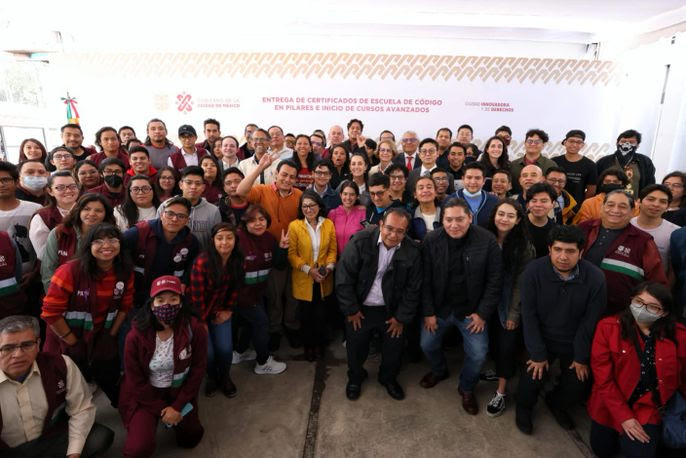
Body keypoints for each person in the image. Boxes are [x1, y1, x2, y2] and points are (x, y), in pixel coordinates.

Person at [516, 225, 607, 435]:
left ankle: (556, 403)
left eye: (570, 251)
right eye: (557, 249)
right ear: (549, 249)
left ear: (581, 252)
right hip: (542, 337)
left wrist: (581, 356)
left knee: (578, 382)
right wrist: (538, 354)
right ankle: (524, 408)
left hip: (574, 340)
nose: (563, 257)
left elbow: (590, 321)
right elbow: (528, 315)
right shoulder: (533, 272)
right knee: (532, 377)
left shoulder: (595, 278)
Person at [419, 198, 502, 414]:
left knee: (478, 354)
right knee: (427, 344)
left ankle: (466, 387)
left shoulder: (487, 240)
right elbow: (424, 279)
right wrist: (428, 312)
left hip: (471, 312)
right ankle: (439, 371)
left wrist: (482, 313)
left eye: (459, 219)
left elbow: (495, 281)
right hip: (440, 309)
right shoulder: (431, 240)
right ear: (442, 220)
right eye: (448, 220)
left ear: (470, 218)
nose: (454, 225)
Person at [588, 282, 686, 458]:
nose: (642, 309)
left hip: (648, 407)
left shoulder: (679, 336)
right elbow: (603, 380)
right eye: (639, 302)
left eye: (653, 307)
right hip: (610, 403)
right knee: (602, 449)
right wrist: (624, 417)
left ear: (664, 312)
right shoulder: (608, 328)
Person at [41, 223, 134, 406]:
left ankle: (128, 413)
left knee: (113, 383)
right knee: (65, 390)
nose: (106, 245)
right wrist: (72, 342)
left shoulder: (124, 272)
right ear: (88, 245)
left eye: (112, 240)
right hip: (65, 340)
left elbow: (125, 307)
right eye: (98, 241)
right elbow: (51, 313)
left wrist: (110, 335)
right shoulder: (70, 271)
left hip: (102, 338)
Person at [336, 208, 421, 401]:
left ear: (406, 232)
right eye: (389, 228)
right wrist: (351, 310)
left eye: (400, 231)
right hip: (360, 309)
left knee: (394, 349)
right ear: (380, 225)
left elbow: (413, 288)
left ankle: (388, 378)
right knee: (355, 348)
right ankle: (355, 377)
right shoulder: (360, 241)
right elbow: (343, 278)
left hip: (391, 311)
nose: (393, 235)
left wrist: (401, 317)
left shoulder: (412, 251)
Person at [0, 315, 114, 457]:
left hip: (49, 438)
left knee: (98, 438)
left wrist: (74, 453)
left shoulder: (60, 365)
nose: (18, 354)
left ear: (38, 344)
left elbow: (81, 409)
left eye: (27, 345)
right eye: (8, 348)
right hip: (6, 450)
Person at [119, 275, 207, 457]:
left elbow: (198, 369)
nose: (167, 305)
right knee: (138, 449)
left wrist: (178, 406)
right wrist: (162, 410)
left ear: (181, 302)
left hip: (178, 391)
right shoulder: (135, 336)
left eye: (173, 299)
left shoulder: (195, 328)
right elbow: (135, 380)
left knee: (191, 437)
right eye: (160, 300)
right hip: (146, 396)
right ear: (152, 305)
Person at [235, 155, 302, 350]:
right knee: (274, 295)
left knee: (293, 294)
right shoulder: (262, 190)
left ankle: (291, 326)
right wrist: (260, 167)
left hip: (295, 251)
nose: (287, 179)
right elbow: (240, 191)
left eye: (292, 177)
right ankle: (275, 329)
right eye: (284, 175)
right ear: (276, 174)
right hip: (271, 252)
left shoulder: (299, 195)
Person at [483, 199, 536, 417]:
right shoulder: (484, 237)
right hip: (485, 301)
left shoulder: (524, 247)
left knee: (507, 346)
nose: (504, 219)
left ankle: (501, 392)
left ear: (518, 220)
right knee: (493, 342)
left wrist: (514, 314)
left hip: (508, 304)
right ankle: (498, 371)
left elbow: (520, 285)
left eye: (510, 216)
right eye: (501, 214)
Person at [579, 189, 667, 315]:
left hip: (619, 313)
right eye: (610, 205)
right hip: (578, 303)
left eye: (623, 206)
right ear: (602, 207)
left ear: (633, 211)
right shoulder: (584, 228)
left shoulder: (642, 241)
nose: (615, 210)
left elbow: (657, 282)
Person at [189, 223, 244, 397]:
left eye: (229, 238)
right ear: (213, 240)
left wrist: (229, 310)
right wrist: (201, 323)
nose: (224, 242)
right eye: (220, 238)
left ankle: (225, 376)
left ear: (235, 240)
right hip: (199, 314)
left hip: (222, 311)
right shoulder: (202, 262)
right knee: (209, 353)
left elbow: (236, 289)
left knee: (225, 350)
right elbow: (196, 298)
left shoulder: (238, 260)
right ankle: (211, 377)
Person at [234, 205, 288, 374]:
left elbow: (279, 265)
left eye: (261, 219)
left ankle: (240, 352)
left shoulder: (269, 238)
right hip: (240, 295)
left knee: (252, 323)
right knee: (261, 323)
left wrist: (282, 248)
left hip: (257, 293)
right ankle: (263, 363)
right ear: (245, 223)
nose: (258, 224)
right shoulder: (237, 238)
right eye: (252, 220)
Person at [123, 196, 200, 306]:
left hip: (169, 296)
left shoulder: (191, 241)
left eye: (181, 216)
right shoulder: (139, 232)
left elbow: (192, 266)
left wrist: (184, 282)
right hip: (137, 292)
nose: (174, 219)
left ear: (187, 220)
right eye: (170, 214)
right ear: (161, 214)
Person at [288, 191, 337, 361]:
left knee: (321, 316)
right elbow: (292, 255)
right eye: (305, 206)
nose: (309, 209)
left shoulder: (328, 224)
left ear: (319, 206)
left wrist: (328, 269)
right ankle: (308, 347)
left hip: (324, 277)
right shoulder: (295, 226)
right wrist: (309, 270)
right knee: (306, 316)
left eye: (312, 205)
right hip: (304, 278)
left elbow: (332, 250)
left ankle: (320, 345)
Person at [40, 194, 114, 291]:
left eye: (98, 210)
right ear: (78, 210)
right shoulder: (60, 233)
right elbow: (48, 269)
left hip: (99, 291)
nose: (92, 214)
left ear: (106, 214)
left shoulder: (113, 236)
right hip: (62, 291)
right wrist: (55, 295)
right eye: (86, 209)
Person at [0, 161, 42, 299]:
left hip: (34, 279)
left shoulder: (36, 209)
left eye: (5, 180)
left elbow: (45, 248)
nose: (1, 184)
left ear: (17, 182)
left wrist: (35, 273)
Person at [158, 166, 221, 250]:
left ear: (203, 187)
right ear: (181, 185)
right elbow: (157, 234)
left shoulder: (213, 211)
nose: (193, 187)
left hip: (202, 255)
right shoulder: (166, 206)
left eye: (198, 183)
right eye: (189, 183)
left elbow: (217, 239)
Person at [29, 171, 79, 261]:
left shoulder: (89, 210)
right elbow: (43, 254)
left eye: (73, 186)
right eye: (60, 187)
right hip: (57, 266)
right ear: (50, 191)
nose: (68, 191)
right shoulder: (42, 216)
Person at [630, 184, 679, 271]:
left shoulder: (675, 232)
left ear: (667, 207)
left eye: (663, 201)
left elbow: (674, 268)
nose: (656, 204)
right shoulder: (626, 224)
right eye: (651, 199)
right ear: (639, 202)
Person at [597, 129, 656, 197]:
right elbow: (596, 184)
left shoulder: (645, 162)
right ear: (617, 143)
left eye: (631, 142)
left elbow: (650, 186)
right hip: (607, 201)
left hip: (634, 202)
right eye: (623, 141)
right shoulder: (604, 161)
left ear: (637, 145)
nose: (626, 144)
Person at [552, 129, 597, 209]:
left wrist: (583, 206)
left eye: (578, 142)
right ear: (565, 142)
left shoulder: (590, 165)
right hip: (553, 204)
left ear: (583, 145)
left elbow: (591, 190)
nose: (574, 145)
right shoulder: (554, 162)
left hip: (577, 207)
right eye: (571, 141)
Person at [446, 162, 498, 227]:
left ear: (484, 181)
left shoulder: (494, 201)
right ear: (463, 179)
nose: (473, 182)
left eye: (477, 178)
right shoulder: (448, 200)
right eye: (469, 177)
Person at [328, 180, 366, 256]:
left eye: (352, 195)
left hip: (355, 258)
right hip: (335, 259)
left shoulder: (363, 214)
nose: (348, 198)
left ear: (357, 196)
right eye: (345, 194)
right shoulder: (333, 214)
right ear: (340, 195)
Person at [525, 182, 558, 258]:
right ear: (528, 204)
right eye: (534, 201)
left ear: (553, 204)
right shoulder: (517, 223)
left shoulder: (555, 230)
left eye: (544, 201)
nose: (538, 205)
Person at [409, 175, 441, 241]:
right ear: (415, 194)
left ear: (436, 192)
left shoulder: (445, 213)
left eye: (429, 187)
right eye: (421, 188)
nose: (425, 190)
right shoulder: (410, 216)